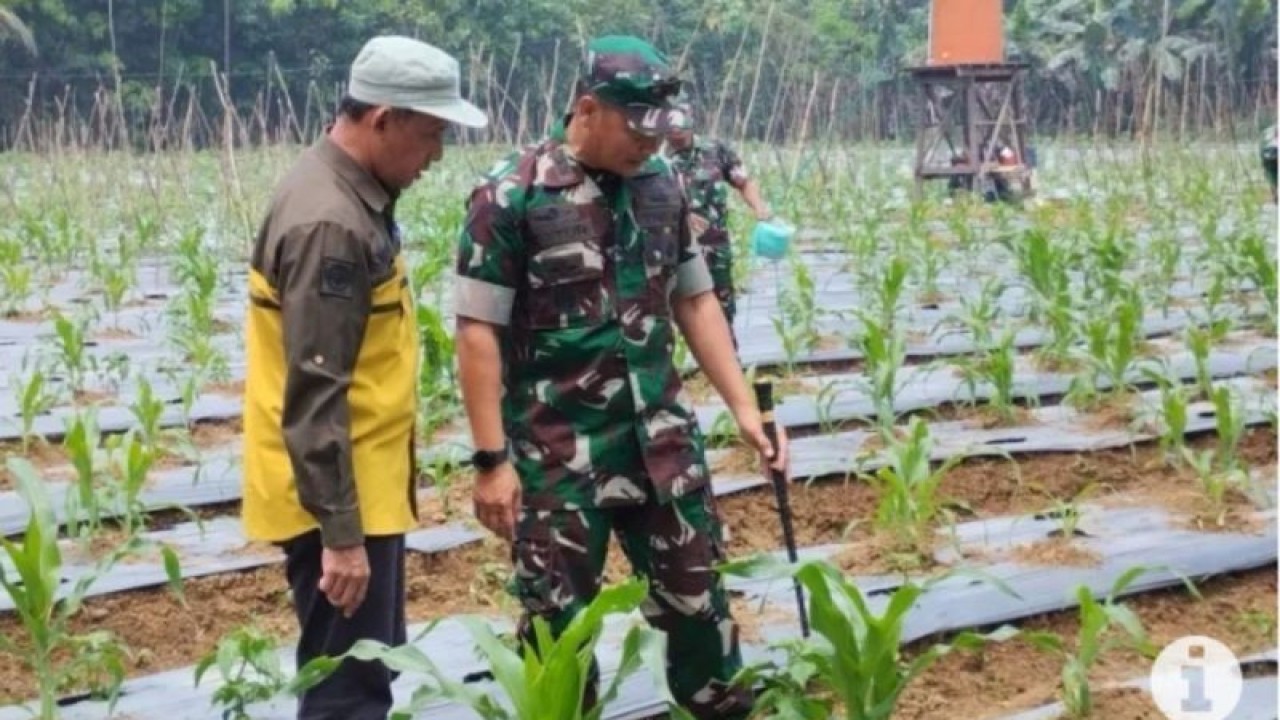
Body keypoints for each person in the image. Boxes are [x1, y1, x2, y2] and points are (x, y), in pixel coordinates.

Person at [452, 35, 789, 719]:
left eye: (659, 132)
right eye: (637, 130)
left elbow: (693, 300)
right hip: (557, 459)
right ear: (587, 108)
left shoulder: (661, 187)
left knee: (702, 608)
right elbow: (477, 330)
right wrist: (491, 460)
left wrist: (743, 409)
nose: (648, 146)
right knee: (559, 633)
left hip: (661, 446)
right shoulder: (509, 196)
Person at [240, 35, 485, 720]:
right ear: (383, 119)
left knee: (358, 674)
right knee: (348, 692)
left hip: (353, 488)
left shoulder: (346, 193)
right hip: (334, 501)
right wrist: (342, 537)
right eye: (431, 133)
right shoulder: (331, 223)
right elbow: (316, 389)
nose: (436, 155)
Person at [665, 98, 772, 347]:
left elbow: (742, 181)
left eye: (680, 128)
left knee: (723, 309)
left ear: (691, 123)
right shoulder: (656, 159)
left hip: (715, 248)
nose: (675, 135)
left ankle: (729, 367)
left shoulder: (715, 151)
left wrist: (759, 208)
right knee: (671, 312)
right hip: (675, 250)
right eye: (670, 130)